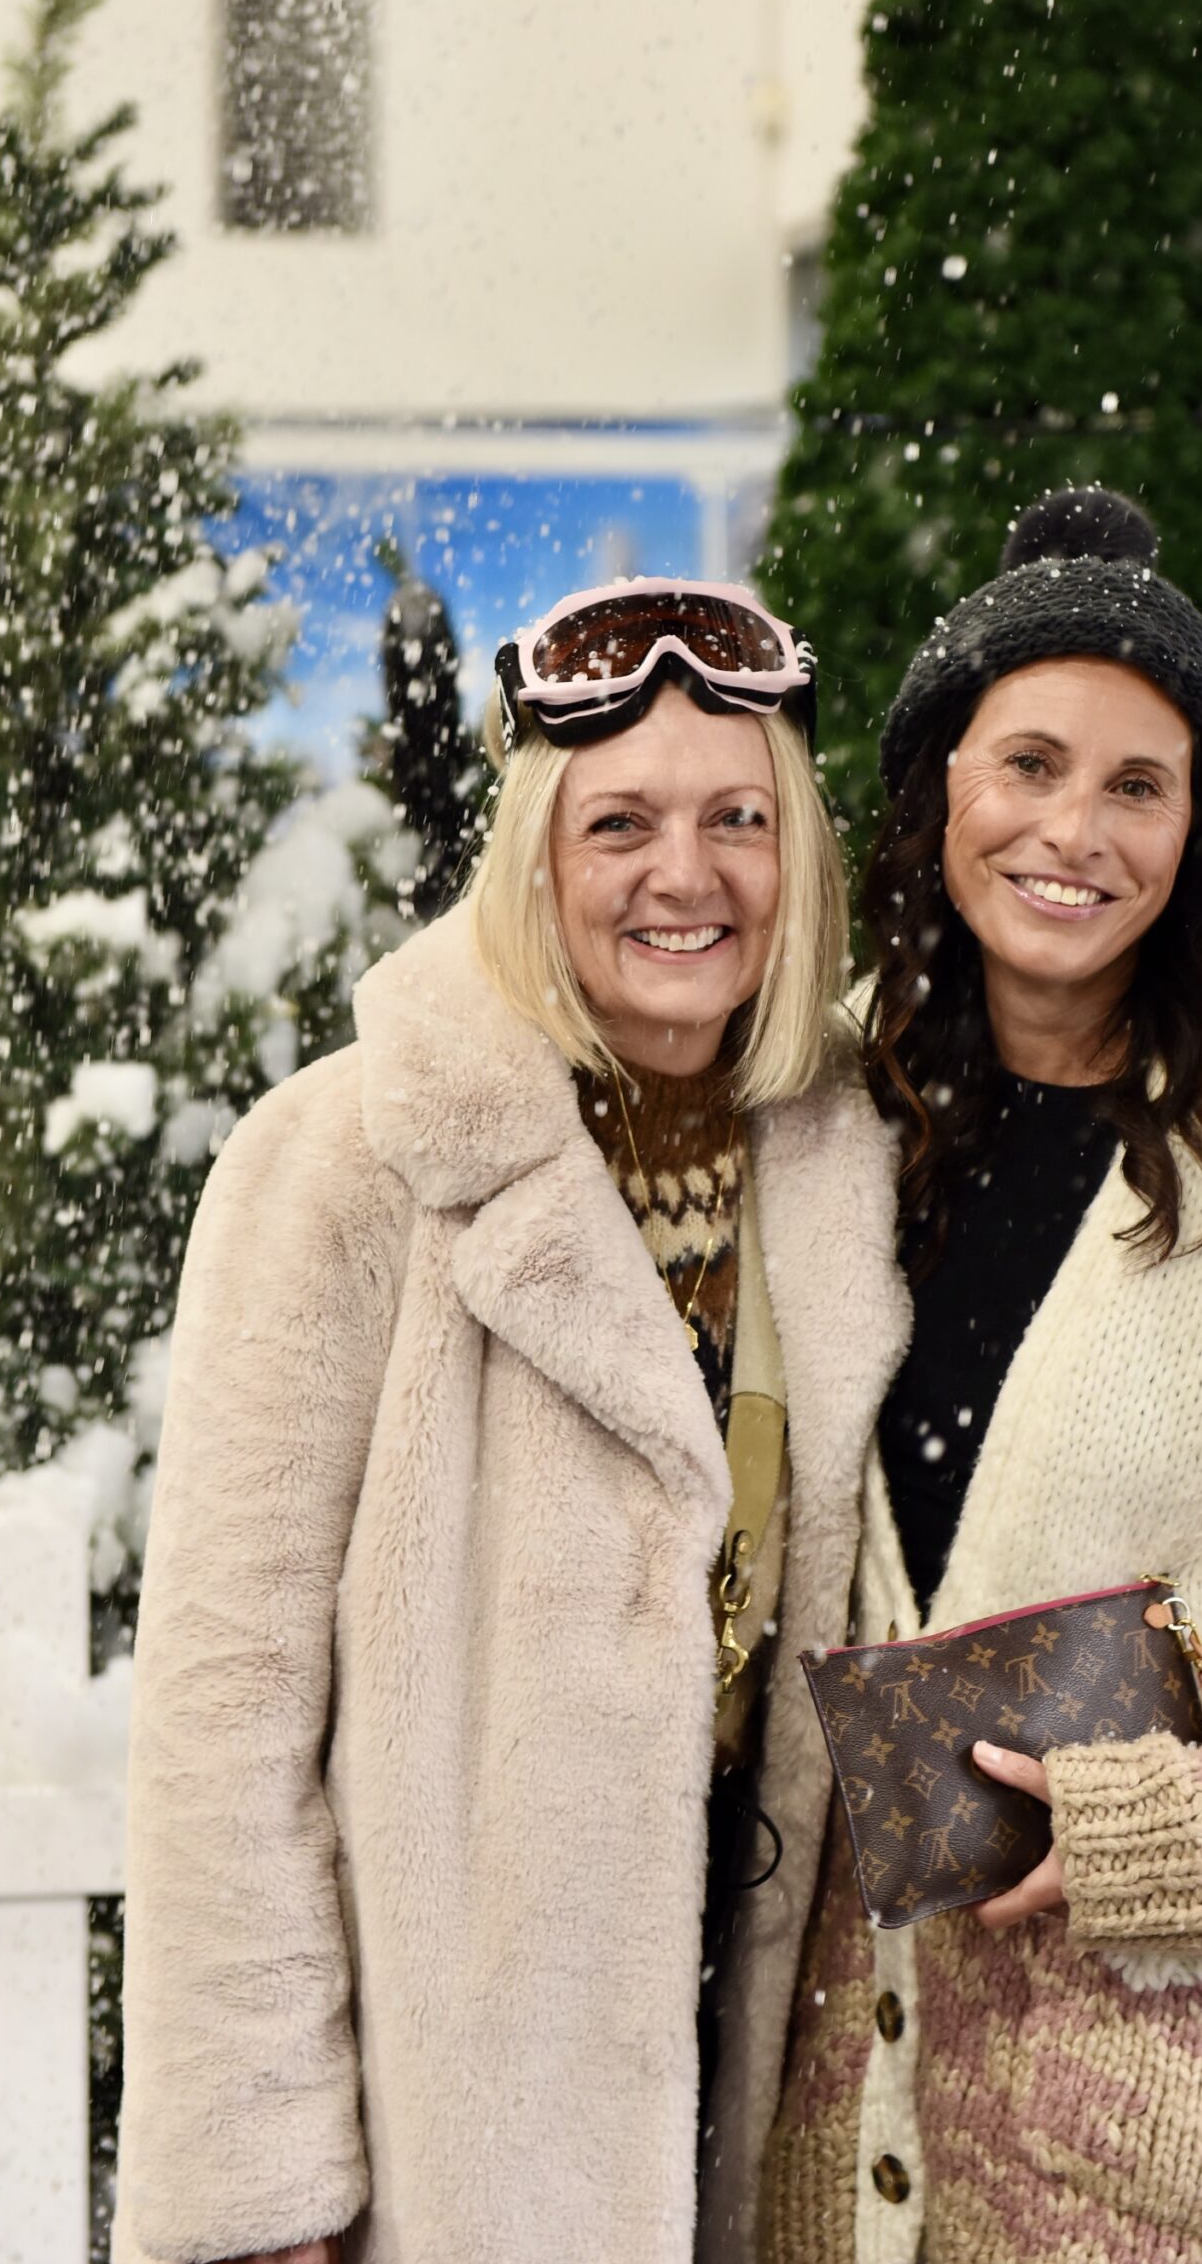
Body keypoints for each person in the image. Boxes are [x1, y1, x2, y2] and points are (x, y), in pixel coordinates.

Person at [735, 490, 1202, 2264]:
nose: (1071, 830)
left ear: (1195, 832)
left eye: (1135, 785)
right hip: (838, 2129)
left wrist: (1172, 1834)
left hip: (1180, 2136)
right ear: (938, 787)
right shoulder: (814, 1119)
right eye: (1028, 764)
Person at [110, 578, 911, 2264]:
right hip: (467, 2095)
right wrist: (264, 2186)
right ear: (533, 853)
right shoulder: (341, 1161)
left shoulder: (850, 1151)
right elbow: (225, 1709)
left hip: (763, 2044)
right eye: (620, 822)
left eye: (739, 818)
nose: (685, 874)